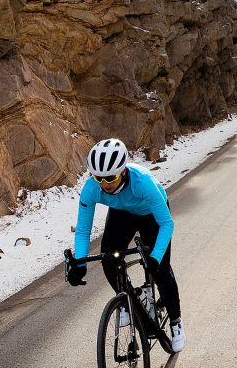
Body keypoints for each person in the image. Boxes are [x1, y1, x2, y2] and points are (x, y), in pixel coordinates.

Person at [66, 138, 185, 353]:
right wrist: (80, 263)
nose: (104, 183)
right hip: (122, 214)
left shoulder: (143, 182)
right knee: (108, 259)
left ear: (122, 171)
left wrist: (155, 258)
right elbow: (83, 230)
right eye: (98, 177)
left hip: (152, 215)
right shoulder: (92, 188)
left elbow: (166, 224)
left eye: (110, 177)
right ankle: (127, 300)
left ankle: (176, 321)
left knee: (161, 272)